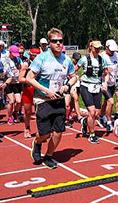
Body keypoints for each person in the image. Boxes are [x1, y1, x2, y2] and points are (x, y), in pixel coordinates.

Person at [26, 28, 77, 169]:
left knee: (58, 131)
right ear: (49, 43)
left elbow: (74, 77)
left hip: (59, 99)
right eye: (55, 41)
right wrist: (46, 91)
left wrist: (67, 86)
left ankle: (49, 156)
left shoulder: (66, 60)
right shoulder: (41, 58)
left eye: (60, 41)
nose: (58, 44)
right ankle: (37, 143)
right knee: (44, 133)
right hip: (43, 100)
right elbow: (29, 78)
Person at [77, 40, 109, 144]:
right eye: (96, 48)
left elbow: (106, 73)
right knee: (91, 111)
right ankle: (92, 134)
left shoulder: (102, 60)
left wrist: (105, 83)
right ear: (91, 47)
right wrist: (74, 79)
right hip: (86, 85)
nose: (98, 50)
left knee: (97, 113)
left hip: (97, 86)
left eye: (99, 48)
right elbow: (74, 70)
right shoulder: (84, 59)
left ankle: (85, 122)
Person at [100, 39, 118, 131]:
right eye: (111, 50)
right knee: (110, 102)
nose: (112, 52)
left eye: (114, 50)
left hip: (115, 80)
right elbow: (97, 70)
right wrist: (106, 70)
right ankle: (108, 122)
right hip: (105, 82)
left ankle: (115, 116)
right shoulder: (102, 56)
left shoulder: (117, 55)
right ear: (106, 47)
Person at [18, 45, 41, 139]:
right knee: (28, 112)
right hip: (28, 89)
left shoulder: (42, 63)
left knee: (40, 112)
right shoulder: (26, 64)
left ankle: (41, 130)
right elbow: (20, 79)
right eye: (33, 55)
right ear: (30, 55)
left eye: (37, 56)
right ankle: (27, 128)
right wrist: (30, 81)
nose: (35, 58)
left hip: (39, 90)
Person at [5, 45, 23, 125]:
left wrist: (19, 72)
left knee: (19, 101)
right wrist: (11, 74)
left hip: (16, 82)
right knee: (11, 101)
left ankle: (15, 112)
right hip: (8, 82)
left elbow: (21, 68)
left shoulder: (17, 59)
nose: (15, 56)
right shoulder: (4, 60)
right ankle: (9, 117)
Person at [66, 51, 82, 125]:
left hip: (79, 84)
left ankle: (68, 114)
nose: (77, 61)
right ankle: (79, 116)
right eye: (76, 59)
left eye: (78, 59)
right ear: (73, 58)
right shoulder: (70, 65)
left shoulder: (81, 65)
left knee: (73, 101)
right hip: (72, 84)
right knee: (75, 98)